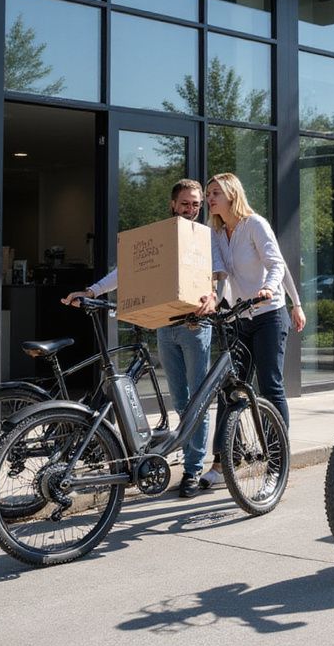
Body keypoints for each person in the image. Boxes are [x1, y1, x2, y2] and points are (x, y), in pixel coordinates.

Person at [64, 179, 304, 498]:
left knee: (252, 389)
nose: (196, 206)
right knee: (208, 397)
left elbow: (250, 270)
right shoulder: (208, 232)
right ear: (172, 205)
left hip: (246, 314)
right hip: (185, 320)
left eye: (202, 200)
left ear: (230, 196)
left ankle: (267, 463)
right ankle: (223, 462)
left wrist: (284, 299)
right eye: (189, 202)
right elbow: (130, 270)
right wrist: (93, 290)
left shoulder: (228, 230)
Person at [194, 172, 293, 490]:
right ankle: (223, 463)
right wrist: (212, 297)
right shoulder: (217, 232)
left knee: (270, 388)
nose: (210, 199)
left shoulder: (255, 225)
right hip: (238, 318)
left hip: (268, 314)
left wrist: (267, 288)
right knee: (230, 389)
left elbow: (277, 264)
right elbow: (221, 276)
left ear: (232, 194)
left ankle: (277, 466)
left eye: (215, 193)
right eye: (209, 194)